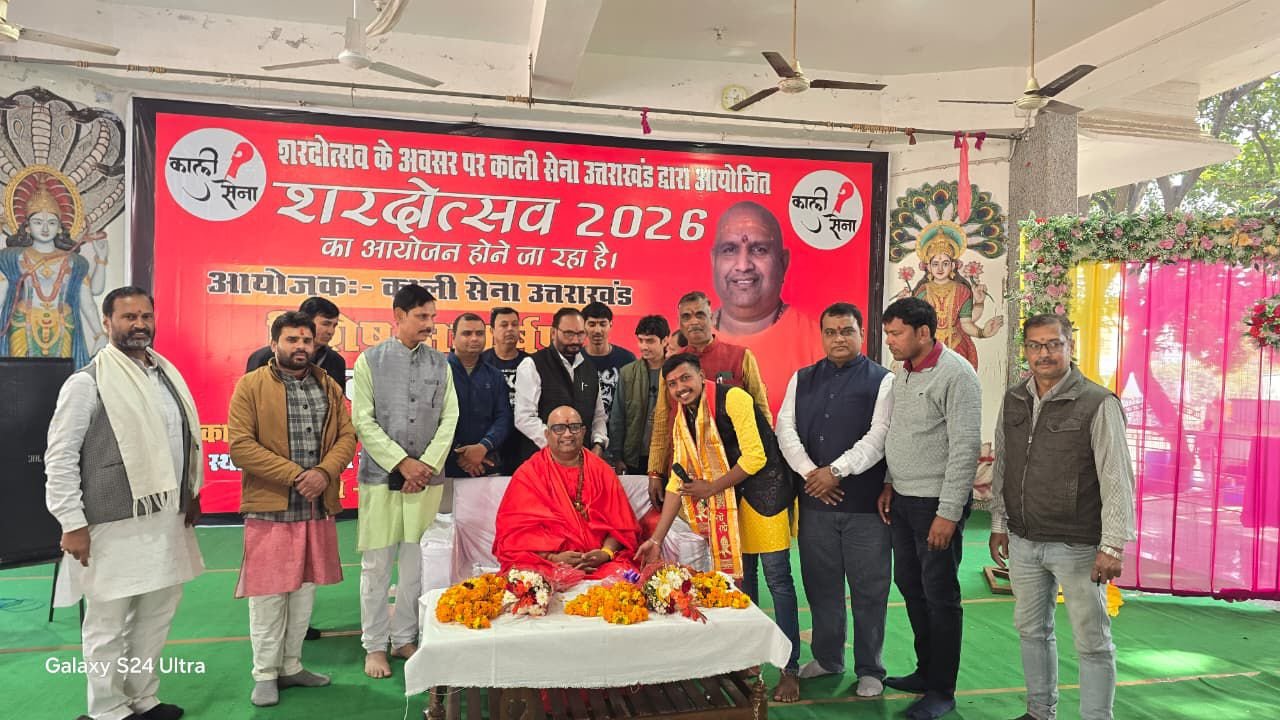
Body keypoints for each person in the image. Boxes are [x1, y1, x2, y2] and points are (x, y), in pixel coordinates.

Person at [45, 286, 203, 720]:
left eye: (145, 316)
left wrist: (191, 492)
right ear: (107, 322)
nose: (139, 325)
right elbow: (60, 457)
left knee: (155, 616)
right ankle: (107, 708)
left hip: (167, 519)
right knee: (108, 622)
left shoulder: (166, 374)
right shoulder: (87, 382)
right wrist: (71, 522)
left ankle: (142, 698)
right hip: (111, 523)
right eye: (129, 317)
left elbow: (181, 442)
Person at [988, 314, 1135, 720]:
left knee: (1092, 641)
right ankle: (1039, 712)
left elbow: (1116, 477)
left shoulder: (1098, 403)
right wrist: (999, 523)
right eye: (1035, 345)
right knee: (1031, 631)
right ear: (1026, 351)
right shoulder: (1014, 399)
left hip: (1078, 545)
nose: (1044, 353)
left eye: (1054, 344)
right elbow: (1004, 464)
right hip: (1024, 540)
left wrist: (1112, 544)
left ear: (1070, 347)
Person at [637, 353, 801, 703]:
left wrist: (711, 487)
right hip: (729, 501)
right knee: (742, 583)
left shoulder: (734, 398)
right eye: (672, 384)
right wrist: (656, 539)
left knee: (778, 580)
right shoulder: (683, 417)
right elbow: (677, 481)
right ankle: (748, 660)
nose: (680, 388)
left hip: (765, 494)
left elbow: (755, 456)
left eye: (685, 378)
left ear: (701, 375)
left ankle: (790, 669)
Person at [228, 311, 357, 707]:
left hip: (316, 506)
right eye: (291, 340)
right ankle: (265, 674)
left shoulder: (328, 385)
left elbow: (347, 436)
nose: (300, 347)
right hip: (271, 507)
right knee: (269, 595)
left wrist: (324, 473)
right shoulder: (251, 385)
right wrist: (298, 475)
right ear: (274, 344)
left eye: (306, 340)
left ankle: (292, 666)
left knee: (303, 593)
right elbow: (240, 446)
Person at [775, 302, 894, 698]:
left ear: (861, 333)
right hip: (815, 505)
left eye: (847, 331)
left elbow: (879, 436)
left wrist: (836, 471)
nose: (838, 338)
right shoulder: (802, 378)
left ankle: (870, 669)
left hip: (865, 509)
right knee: (821, 586)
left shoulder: (884, 381)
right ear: (822, 336)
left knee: (869, 590)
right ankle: (828, 658)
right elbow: (785, 429)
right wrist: (813, 473)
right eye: (831, 332)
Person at [879, 296, 982, 720]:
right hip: (903, 500)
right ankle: (926, 672)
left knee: (940, 596)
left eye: (896, 333)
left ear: (924, 332)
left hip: (935, 504)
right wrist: (889, 482)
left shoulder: (957, 375)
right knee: (910, 585)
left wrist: (948, 512)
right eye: (887, 333)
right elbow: (899, 433)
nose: (890, 341)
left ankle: (942, 690)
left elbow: (965, 448)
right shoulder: (902, 371)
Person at [351, 284, 459, 680]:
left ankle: (403, 637)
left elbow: (449, 418)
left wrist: (424, 466)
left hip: (426, 481)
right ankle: (375, 645)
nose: (430, 324)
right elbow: (363, 420)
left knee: (415, 565)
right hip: (380, 480)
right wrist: (402, 463)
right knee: (377, 566)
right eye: (421, 316)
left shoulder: (441, 365)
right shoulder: (369, 361)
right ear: (398, 316)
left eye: (432, 317)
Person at [645, 291, 768, 507]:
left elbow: (762, 412)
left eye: (700, 314)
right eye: (686, 317)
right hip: (686, 471)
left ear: (712, 318)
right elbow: (663, 420)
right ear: (680, 324)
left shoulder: (741, 357)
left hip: (733, 472)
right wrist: (655, 471)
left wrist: (765, 462)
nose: (694, 322)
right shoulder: (671, 366)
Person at [494, 406, 640, 579]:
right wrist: (553, 559)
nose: (568, 434)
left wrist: (605, 553)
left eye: (574, 427)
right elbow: (512, 538)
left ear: (583, 432)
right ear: (547, 434)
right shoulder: (528, 474)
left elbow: (622, 527)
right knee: (529, 581)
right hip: (547, 565)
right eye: (559, 428)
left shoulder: (602, 471)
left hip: (601, 563)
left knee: (624, 579)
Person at [709, 201, 823, 412]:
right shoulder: (683, 343)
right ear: (713, 261)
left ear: (783, 262)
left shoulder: (819, 344)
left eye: (759, 250)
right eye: (729, 250)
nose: (743, 265)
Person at [0, 172, 109, 367]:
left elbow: (89, 298)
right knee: (19, 377)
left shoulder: (75, 262)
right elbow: (2, 295)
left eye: (51, 223)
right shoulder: (12, 258)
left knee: (63, 377)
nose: (45, 228)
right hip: (22, 323)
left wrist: (99, 333)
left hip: (63, 324)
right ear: (27, 227)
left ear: (59, 227)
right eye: (38, 222)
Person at [895, 229, 1004, 369]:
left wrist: (982, 332)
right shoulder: (922, 292)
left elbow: (965, 323)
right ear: (929, 267)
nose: (940, 268)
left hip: (956, 349)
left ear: (952, 266)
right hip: (928, 350)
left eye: (945, 263)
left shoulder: (962, 291)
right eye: (935, 264)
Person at [513, 307, 609, 466]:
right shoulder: (532, 365)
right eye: (569, 334)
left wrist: (599, 444)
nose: (575, 340)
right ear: (553, 333)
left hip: (583, 462)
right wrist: (562, 447)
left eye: (580, 334)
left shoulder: (589, 368)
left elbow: (598, 416)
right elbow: (524, 418)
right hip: (543, 462)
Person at [445, 312, 513, 503]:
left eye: (479, 333)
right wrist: (461, 455)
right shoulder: (440, 372)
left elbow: (504, 418)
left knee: (484, 521)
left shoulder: (495, 375)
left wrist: (483, 447)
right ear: (453, 337)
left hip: (487, 465)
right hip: (445, 468)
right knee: (444, 521)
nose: (474, 338)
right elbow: (432, 420)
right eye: (467, 333)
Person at [607, 314, 670, 476]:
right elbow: (618, 417)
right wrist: (617, 456)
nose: (644, 346)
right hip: (635, 456)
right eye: (641, 340)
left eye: (650, 341)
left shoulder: (676, 372)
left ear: (665, 341)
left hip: (669, 454)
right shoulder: (628, 373)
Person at [246, 296, 347, 390]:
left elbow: (336, 400)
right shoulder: (262, 358)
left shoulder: (336, 362)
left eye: (334, 325)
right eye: (326, 324)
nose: (331, 331)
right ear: (305, 321)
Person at [480, 306, 528, 475]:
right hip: (489, 444)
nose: (510, 329)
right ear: (492, 330)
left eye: (514, 324)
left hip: (523, 443)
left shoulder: (531, 363)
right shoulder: (481, 362)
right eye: (504, 325)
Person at [581, 301, 636, 419]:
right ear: (583, 326)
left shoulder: (627, 359)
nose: (597, 330)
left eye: (603, 324)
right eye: (592, 324)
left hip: (618, 427)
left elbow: (634, 402)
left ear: (610, 324)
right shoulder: (574, 359)